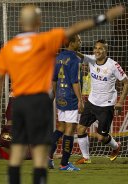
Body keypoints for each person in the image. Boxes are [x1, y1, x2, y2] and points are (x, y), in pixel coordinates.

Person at [0, 4, 124, 184]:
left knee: (19, 151)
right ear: (39, 22)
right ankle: (63, 163)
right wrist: (104, 17)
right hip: (41, 101)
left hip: (20, 102)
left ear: (20, 22)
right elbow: (77, 29)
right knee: (47, 146)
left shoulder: (9, 47)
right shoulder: (46, 40)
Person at [76, 39, 128, 164]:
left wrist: (120, 102)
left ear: (106, 50)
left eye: (100, 48)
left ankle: (116, 147)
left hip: (106, 105)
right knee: (80, 129)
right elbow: (80, 55)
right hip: (91, 102)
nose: (97, 50)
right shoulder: (91, 60)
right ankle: (86, 158)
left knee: (101, 137)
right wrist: (72, 49)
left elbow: (127, 83)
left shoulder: (113, 65)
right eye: (95, 48)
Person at [48, 35, 83, 171]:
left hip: (61, 97)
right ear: (72, 43)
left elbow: (54, 79)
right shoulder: (75, 59)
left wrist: (56, 94)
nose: (81, 42)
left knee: (60, 128)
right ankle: (64, 163)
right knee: (70, 130)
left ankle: (48, 157)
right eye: (78, 40)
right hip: (71, 98)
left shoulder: (59, 57)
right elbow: (75, 82)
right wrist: (80, 100)